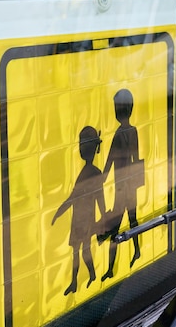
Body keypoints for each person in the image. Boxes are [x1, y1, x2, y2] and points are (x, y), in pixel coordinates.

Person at [52, 126, 104, 295]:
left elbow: (99, 198)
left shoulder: (95, 173)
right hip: (78, 218)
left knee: (84, 250)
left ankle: (91, 274)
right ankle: (76, 280)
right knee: (77, 251)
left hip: (87, 218)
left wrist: (103, 219)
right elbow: (72, 198)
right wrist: (59, 212)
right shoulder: (84, 172)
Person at [99, 89, 143, 281]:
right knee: (132, 221)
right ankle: (137, 251)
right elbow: (135, 158)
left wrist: (100, 179)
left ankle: (110, 268)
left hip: (121, 187)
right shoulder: (133, 131)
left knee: (115, 231)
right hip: (130, 185)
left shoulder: (119, 134)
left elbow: (110, 159)